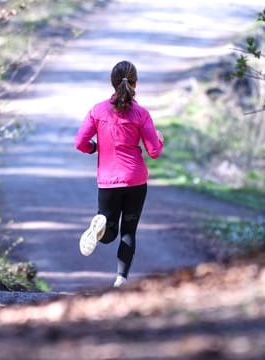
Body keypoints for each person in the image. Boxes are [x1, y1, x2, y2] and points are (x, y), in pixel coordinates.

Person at [74, 60, 164, 288]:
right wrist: (160, 140)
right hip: (135, 180)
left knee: (109, 233)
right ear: (135, 84)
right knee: (128, 232)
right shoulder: (141, 114)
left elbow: (80, 142)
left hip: (108, 181)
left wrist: (95, 148)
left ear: (113, 83)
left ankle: (101, 226)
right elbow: (153, 152)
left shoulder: (98, 111)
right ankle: (121, 279)